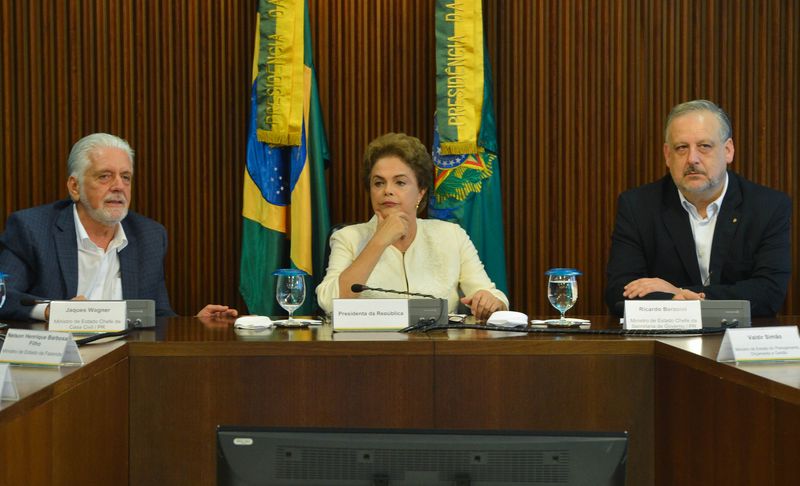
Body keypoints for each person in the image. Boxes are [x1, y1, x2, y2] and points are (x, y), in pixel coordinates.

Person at [0, 133, 237, 321]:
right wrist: (52, 311)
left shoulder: (149, 236)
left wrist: (194, 324)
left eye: (126, 177)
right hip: (59, 358)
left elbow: (157, 316)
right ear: (75, 187)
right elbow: (4, 297)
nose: (118, 186)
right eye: (105, 176)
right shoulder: (32, 229)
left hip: (123, 362)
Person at [605, 100, 791, 317]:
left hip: (739, 335)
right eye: (681, 148)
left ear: (728, 150)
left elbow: (769, 293)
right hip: (665, 336)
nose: (692, 159)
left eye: (704, 146)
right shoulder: (638, 206)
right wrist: (681, 300)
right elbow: (619, 291)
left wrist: (679, 293)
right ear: (667, 155)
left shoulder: (768, 206)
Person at [316, 132, 508, 320]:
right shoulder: (348, 238)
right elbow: (329, 304)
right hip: (369, 340)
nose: (387, 190)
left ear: (421, 192)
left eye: (400, 182)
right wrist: (378, 242)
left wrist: (491, 301)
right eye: (378, 183)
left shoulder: (452, 236)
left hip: (439, 340)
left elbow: (492, 296)